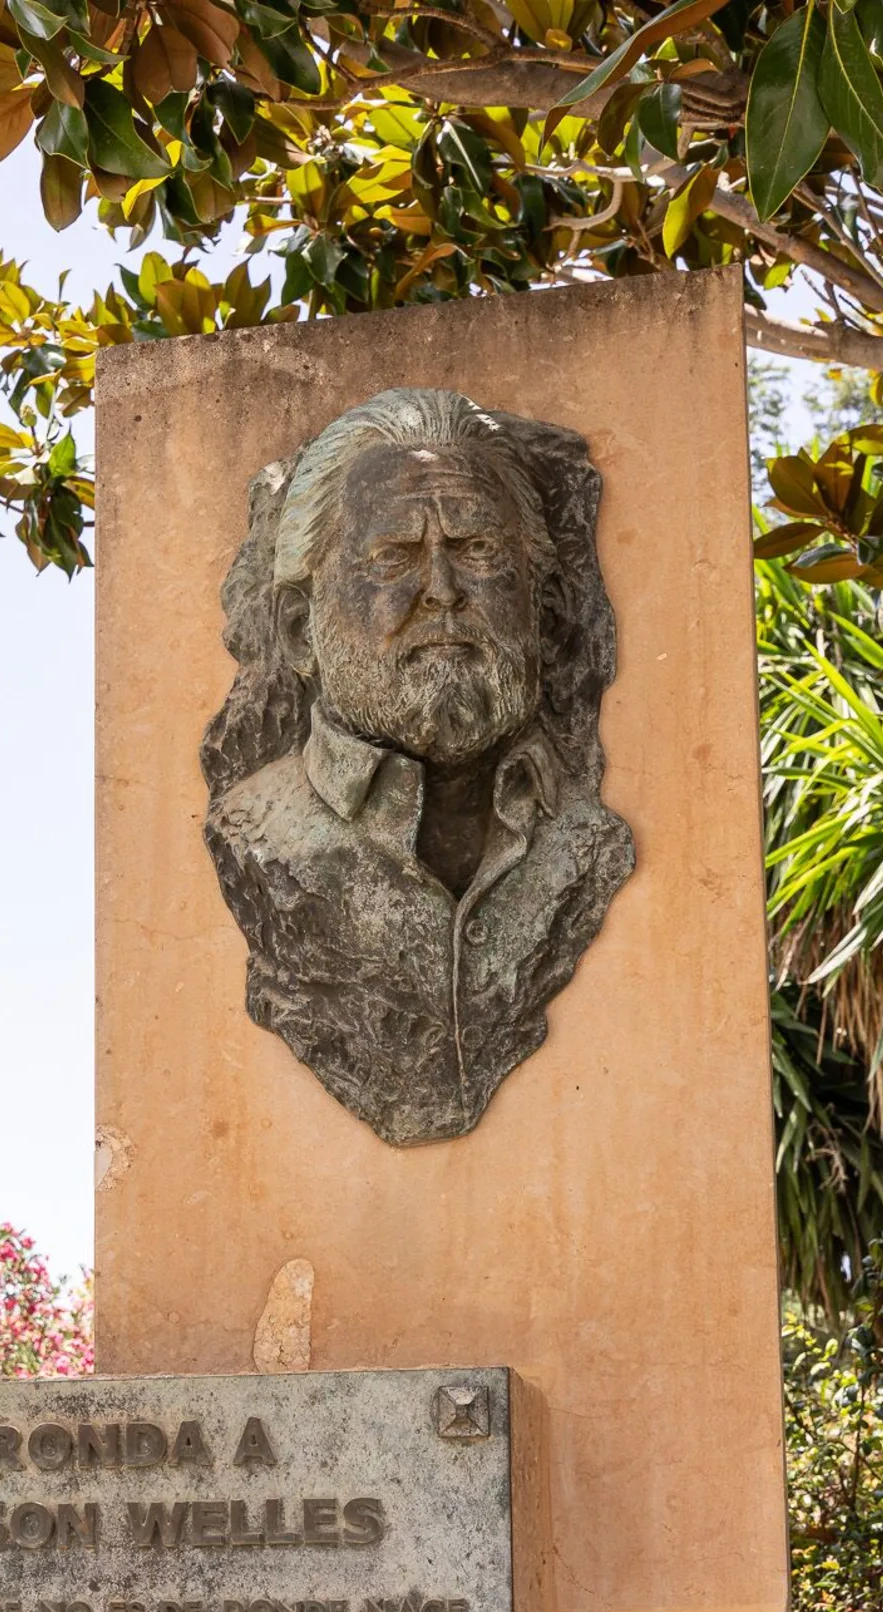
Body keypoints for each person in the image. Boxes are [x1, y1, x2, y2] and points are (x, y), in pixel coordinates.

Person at [203, 387, 634, 1146]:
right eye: (392, 556)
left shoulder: (588, 838)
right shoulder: (255, 836)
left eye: (477, 550)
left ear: (545, 611)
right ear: (300, 630)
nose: (441, 590)